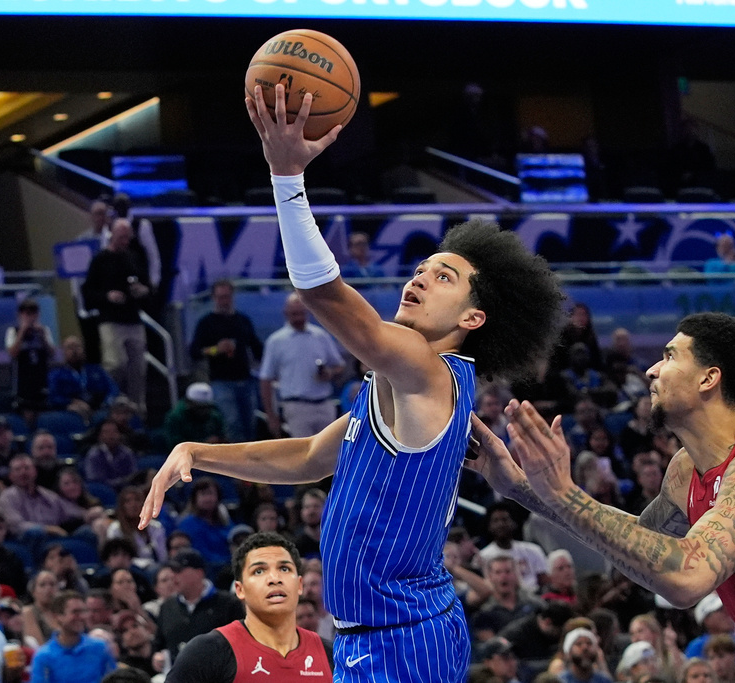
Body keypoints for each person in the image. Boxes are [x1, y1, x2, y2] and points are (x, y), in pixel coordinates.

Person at [141, 88, 564, 683]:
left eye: (443, 277)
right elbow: (311, 455)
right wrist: (197, 452)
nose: (419, 278)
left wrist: (287, 177)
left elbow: (323, 294)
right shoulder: (401, 380)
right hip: (382, 633)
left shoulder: (425, 368)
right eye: (420, 269)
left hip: (405, 639)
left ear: (472, 319)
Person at [468, 312, 735, 681]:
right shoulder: (684, 471)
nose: (651, 370)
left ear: (708, 378)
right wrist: (520, 488)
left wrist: (565, 492)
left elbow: (686, 578)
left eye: (668, 356)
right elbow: (633, 545)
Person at [165, 532, 333, 683]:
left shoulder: (330, 654)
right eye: (259, 571)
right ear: (240, 589)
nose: (274, 578)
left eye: (284, 568)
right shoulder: (206, 653)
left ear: (299, 585)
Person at [81, 218, 152, 413]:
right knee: (116, 363)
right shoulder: (100, 260)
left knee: (138, 366)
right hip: (110, 319)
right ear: (112, 235)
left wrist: (142, 290)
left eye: (127, 237)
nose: (125, 241)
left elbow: (148, 286)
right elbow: (87, 292)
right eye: (121, 237)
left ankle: (138, 407)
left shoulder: (134, 257)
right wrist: (107, 296)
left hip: (133, 318)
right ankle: (112, 400)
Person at [258, 292, 345, 439]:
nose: (298, 318)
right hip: (296, 406)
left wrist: (329, 373)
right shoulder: (276, 341)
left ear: (308, 312)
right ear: (286, 313)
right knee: (303, 454)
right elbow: (266, 379)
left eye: (301, 313)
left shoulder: (320, 336)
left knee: (330, 454)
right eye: (294, 314)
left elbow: (339, 365)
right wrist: (271, 416)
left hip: (324, 403)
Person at [188, 279, 264, 443]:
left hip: (245, 379)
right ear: (214, 298)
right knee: (232, 423)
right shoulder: (207, 323)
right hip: (221, 381)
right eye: (221, 297)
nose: (224, 301)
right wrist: (216, 349)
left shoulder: (242, 321)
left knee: (250, 424)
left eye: (227, 297)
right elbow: (195, 351)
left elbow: (257, 347)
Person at [152, 548, 244, 664]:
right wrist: (157, 658)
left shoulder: (228, 603)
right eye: (172, 571)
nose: (172, 576)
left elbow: (242, 643)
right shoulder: (167, 607)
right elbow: (158, 645)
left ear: (199, 573)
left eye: (178, 571)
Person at [30, 591, 117, 683]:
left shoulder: (100, 648)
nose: (82, 617)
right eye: (75, 612)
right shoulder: (44, 656)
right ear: (58, 616)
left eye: (84, 611)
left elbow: (113, 679)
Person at [47, 336, 119, 421]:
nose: (74, 351)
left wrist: (107, 402)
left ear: (83, 350)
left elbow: (113, 388)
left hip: (101, 406)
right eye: (70, 348)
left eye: (77, 347)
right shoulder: (56, 374)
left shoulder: (96, 369)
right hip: (72, 409)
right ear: (63, 352)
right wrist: (70, 402)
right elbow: (53, 397)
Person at [5, 298, 54, 415]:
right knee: (27, 412)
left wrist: (42, 337)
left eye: (34, 313)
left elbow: (52, 354)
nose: (31, 317)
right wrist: (22, 332)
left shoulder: (44, 331)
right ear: (20, 315)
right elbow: (12, 353)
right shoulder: (13, 331)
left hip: (40, 379)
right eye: (28, 314)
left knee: (43, 413)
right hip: (23, 382)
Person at [162, 383, 226, 450]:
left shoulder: (214, 415)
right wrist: (204, 443)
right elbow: (174, 445)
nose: (204, 411)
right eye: (200, 407)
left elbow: (223, 437)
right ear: (189, 403)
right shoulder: (175, 417)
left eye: (206, 407)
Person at [83, 419, 138, 488]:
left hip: (126, 490)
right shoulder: (94, 455)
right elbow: (95, 480)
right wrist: (121, 482)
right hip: (104, 491)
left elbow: (133, 475)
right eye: (107, 432)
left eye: (114, 432)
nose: (111, 435)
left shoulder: (127, 453)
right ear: (100, 436)